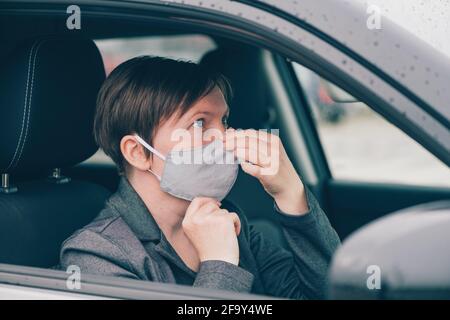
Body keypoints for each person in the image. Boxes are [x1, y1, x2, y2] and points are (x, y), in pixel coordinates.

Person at [59, 56, 340, 299]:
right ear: (138, 153)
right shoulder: (96, 255)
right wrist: (219, 263)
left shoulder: (231, 219)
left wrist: (291, 193)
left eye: (225, 121)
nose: (226, 137)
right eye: (199, 123)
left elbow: (325, 295)